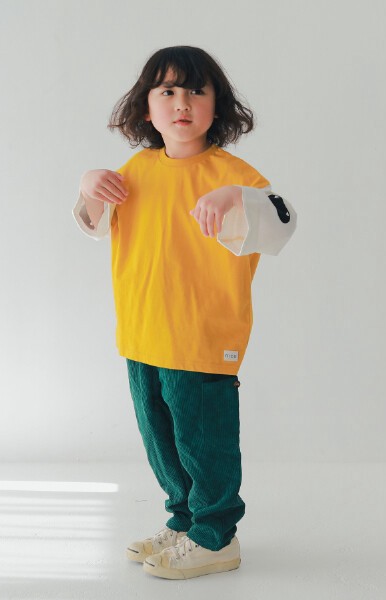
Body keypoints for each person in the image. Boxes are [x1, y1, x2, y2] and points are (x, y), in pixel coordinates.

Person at [72, 45, 297, 580]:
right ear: (146, 108)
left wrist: (234, 198)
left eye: (197, 91)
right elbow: (94, 222)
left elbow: (283, 221)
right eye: (168, 91)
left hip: (200, 336)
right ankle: (184, 521)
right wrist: (88, 185)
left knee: (202, 439)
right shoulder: (135, 170)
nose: (182, 102)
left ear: (217, 107)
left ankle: (215, 536)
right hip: (142, 332)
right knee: (161, 439)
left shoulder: (233, 173)